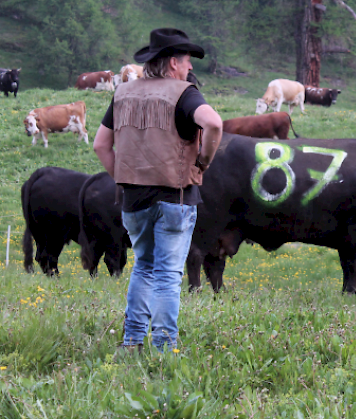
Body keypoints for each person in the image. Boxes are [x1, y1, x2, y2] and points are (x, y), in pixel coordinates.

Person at [93, 28, 223, 352]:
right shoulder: (185, 93)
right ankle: (165, 349)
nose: (190, 68)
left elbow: (100, 145)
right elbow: (215, 124)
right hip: (175, 198)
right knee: (167, 275)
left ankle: (132, 341)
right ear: (173, 63)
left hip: (133, 200)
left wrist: (122, 176)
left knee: (143, 266)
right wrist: (204, 162)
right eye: (188, 62)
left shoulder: (123, 92)